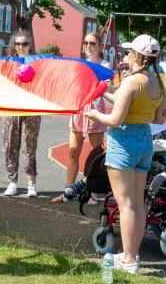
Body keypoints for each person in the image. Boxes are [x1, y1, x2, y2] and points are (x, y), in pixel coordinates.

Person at [84, 34, 166, 274]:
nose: (126, 55)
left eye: (129, 52)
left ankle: (129, 260)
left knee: (126, 204)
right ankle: (132, 254)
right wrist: (105, 93)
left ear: (137, 56)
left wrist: (95, 116)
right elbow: (159, 117)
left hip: (123, 142)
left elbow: (115, 118)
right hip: (144, 141)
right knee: (137, 204)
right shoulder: (157, 83)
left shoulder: (132, 82)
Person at [51, 32, 111, 205]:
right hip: (79, 111)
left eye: (92, 43)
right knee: (72, 152)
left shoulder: (104, 65)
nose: (88, 46)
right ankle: (68, 190)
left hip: (96, 112)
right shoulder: (79, 64)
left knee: (95, 154)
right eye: (85, 42)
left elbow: (106, 85)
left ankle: (93, 192)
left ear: (100, 46)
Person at [2, 28, 41, 198]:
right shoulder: (8, 63)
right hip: (11, 109)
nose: (21, 47)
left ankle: (31, 183)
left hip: (31, 109)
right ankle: (12, 182)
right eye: (17, 44)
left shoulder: (38, 63)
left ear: (30, 45)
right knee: (10, 145)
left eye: (24, 44)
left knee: (29, 146)